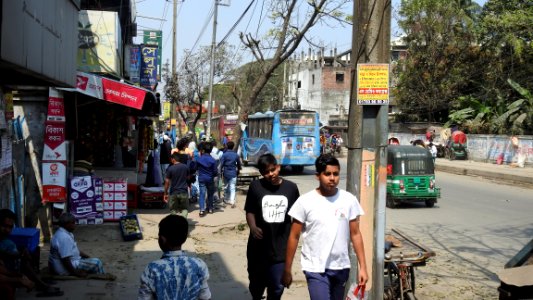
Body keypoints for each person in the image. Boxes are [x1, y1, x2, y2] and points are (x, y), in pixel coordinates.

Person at [282, 154, 368, 300]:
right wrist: (287, 269)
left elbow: (355, 234)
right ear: (318, 176)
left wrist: (363, 268)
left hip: (341, 267)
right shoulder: (305, 202)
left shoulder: (349, 200)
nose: (332, 178)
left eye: (335, 174)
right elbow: (294, 236)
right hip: (315, 268)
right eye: (327, 174)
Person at [244, 153, 300, 300]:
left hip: (281, 247)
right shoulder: (255, 186)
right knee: (256, 286)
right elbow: (249, 211)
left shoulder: (291, 188)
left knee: (277, 287)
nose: (270, 174)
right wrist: (253, 227)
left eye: (273, 170)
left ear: (278, 167)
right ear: (262, 173)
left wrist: (294, 236)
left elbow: (298, 217)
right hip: (258, 248)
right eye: (266, 172)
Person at [138, 214, 211, 300]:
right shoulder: (199, 265)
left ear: (162, 239)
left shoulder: (152, 269)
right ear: (185, 238)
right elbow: (205, 297)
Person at [0, 209, 62, 297]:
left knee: (30, 253)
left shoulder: (5, 239)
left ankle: (39, 282)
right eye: (4, 226)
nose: (7, 230)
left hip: (8, 266)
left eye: (10, 227)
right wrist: (17, 277)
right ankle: (39, 283)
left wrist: (21, 251)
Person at [49, 213, 107, 277]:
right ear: (67, 224)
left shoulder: (66, 233)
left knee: (91, 260)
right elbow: (65, 259)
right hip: (65, 268)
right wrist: (75, 272)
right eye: (73, 223)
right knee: (97, 262)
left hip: (72, 261)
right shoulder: (64, 237)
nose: (75, 225)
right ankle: (102, 277)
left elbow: (74, 249)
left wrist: (87, 256)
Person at [164, 152, 191, 217]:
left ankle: (175, 223)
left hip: (174, 192)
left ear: (173, 159)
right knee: (185, 209)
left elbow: (167, 182)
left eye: (171, 159)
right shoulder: (186, 167)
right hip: (184, 191)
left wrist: (165, 193)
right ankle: (183, 221)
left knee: (173, 209)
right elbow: (188, 179)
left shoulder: (170, 168)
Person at [196, 141, 218, 216]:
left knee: (202, 194)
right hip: (210, 179)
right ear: (211, 150)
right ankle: (210, 208)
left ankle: (202, 210)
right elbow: (215, 172)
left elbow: (195, 168)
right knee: (210, 194)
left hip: (201, 178)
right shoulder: (213, 160)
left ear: (203, 150)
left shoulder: (199, 159)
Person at [219, 141, 242, 208]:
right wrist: (239, 169)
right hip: (233, 173)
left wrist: (220, 172)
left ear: (227, 146)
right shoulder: (236, 155)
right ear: (233, 147)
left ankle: (226, 199)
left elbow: (221, 164)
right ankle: (232, 201)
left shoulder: (224, 155)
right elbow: (239, 164)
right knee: (232, 187)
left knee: (226, 186)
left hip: (226, 173)